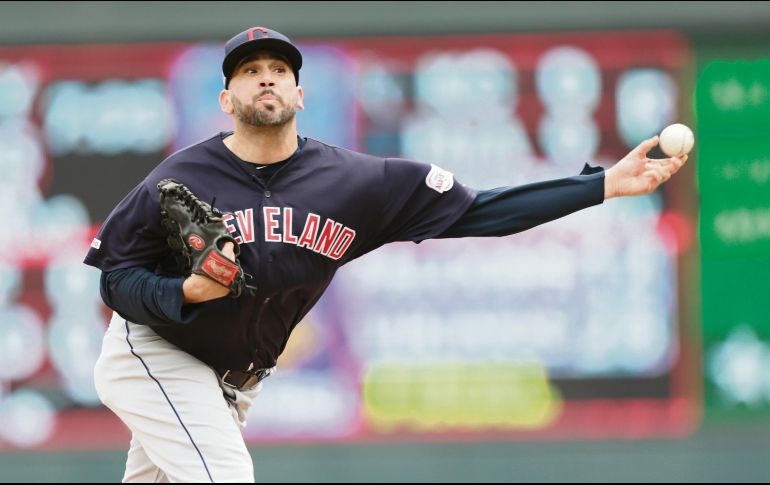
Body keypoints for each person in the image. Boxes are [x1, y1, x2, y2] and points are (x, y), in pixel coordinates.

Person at [85, 26, 687, 483]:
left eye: (277, 68)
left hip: (233, 382)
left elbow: (482, 211)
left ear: (299, 91)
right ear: (226, 97)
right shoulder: (181, 174)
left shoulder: (356, 184)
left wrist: (602, 184)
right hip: (156, 353)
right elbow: (115, 281)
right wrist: (182, 293)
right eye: (248, 71)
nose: (264, 77)